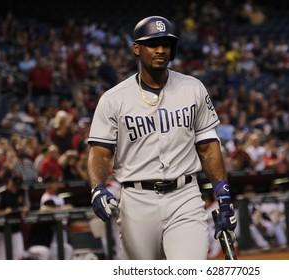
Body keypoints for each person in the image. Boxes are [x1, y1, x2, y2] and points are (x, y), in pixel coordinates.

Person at [87, 16, 237, 260]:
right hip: (137, 200)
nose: (160, 50)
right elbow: (100, 152)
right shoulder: (113, 99)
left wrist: (223, 195)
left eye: (166, 44)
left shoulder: (193, 88)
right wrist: (97, 188)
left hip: (184, 195)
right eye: (152, 43)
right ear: (136, 48)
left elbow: (209, 148)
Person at [0, 172, 30, 259]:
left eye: (17, 185)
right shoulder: (0, 193)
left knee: (19, 254)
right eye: (13, 184)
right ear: (9, 181)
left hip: (15, 228)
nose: (15, 187)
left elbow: (27, 206)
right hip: (1, 229)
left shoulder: (22, 191)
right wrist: (3, 212)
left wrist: (25, 210)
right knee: (2, 257)